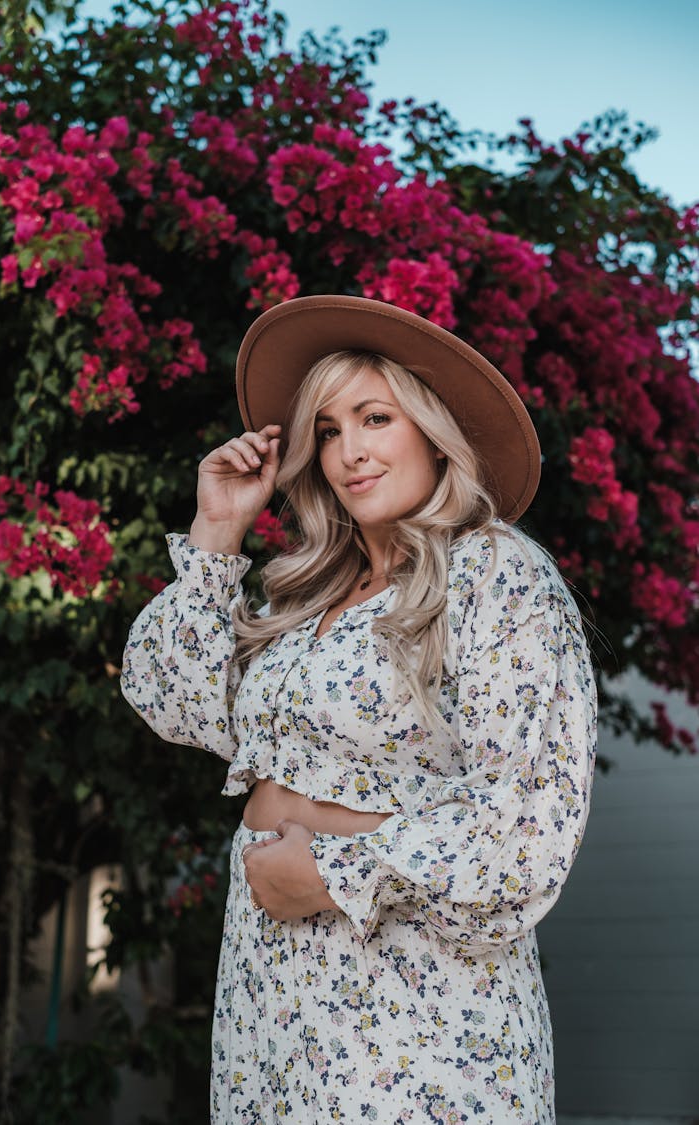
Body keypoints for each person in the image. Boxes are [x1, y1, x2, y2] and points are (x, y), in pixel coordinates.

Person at [121, 295, 597, 1124]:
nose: (350, 451)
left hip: (418, 1002)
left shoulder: (494, 571)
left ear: (431, 428)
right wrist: (216, 531)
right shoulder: (302, 593)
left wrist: (333, 874)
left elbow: (529, 821)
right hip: (274, 995)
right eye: (330, 429)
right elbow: (171, 699)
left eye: (375, 417)